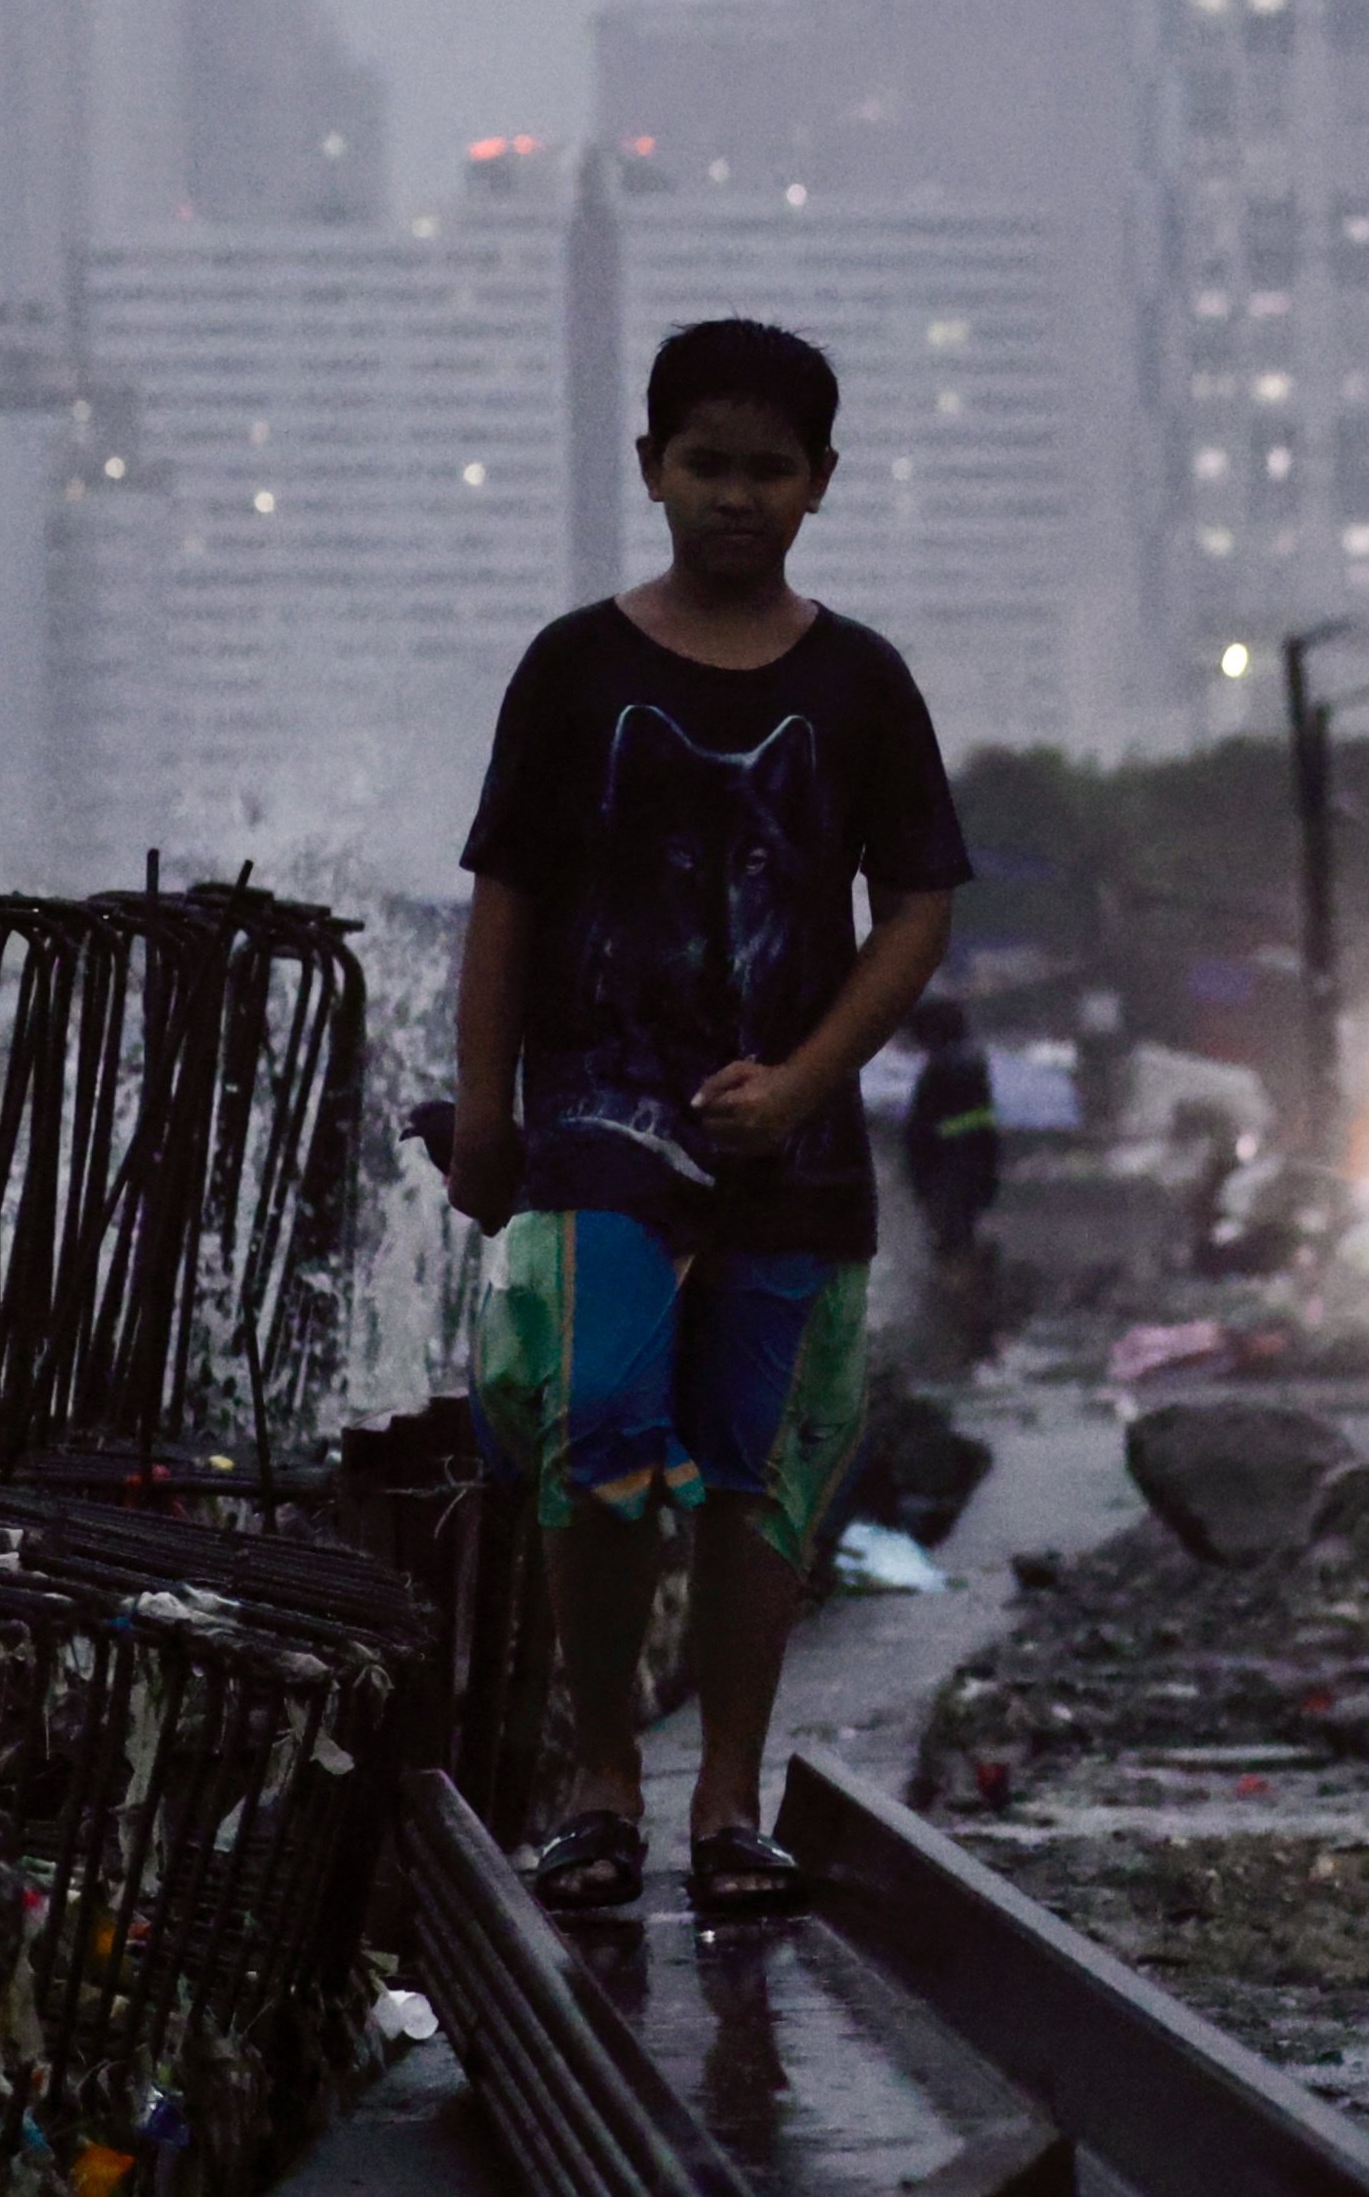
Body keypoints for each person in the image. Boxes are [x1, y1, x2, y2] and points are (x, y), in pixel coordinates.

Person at [446, 318, 967, 1919]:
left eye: (768, 468)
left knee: (761, 1468)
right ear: (650, 469)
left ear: (817, 484)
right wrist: (485, 1108)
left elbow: (920, 906)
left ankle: (726, 1794)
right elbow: (507, 899)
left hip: (794, 1156)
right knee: (599, 1428)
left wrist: (808, 1077)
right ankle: (602, 1773)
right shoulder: (574, 666)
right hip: (602, 1120)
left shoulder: (859, 680)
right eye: (705, 463)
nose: (735, 494)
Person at [901, 999, 1002, 1260]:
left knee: (951, 1240)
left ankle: (961, 1285)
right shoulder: (971, 1066)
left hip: (947, 1171)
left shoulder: (942, 1070)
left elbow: (922, 1127)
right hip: (966, 1168)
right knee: (960, 1234)